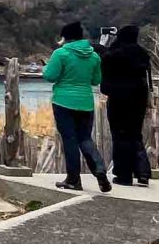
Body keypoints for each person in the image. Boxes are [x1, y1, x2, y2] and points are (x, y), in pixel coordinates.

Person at [41, 21, 111, 192]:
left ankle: (73, 180)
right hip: (86, 103)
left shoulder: (61, 54)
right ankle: (100, 170)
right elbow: (96, 80)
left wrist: (45, 69)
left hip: (63, 102)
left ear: (65, 37)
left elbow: (50, 75)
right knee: (85, 138)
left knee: (70, 140)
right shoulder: (93, 56)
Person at [99, 24, 152, 186]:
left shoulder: (114, 53)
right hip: (139, 98)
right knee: (135, 134)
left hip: (118, 98)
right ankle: (143, 173)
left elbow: (103, 63)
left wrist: (104, 42)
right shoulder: (143, 54)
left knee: (120, 135)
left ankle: (124, 174)